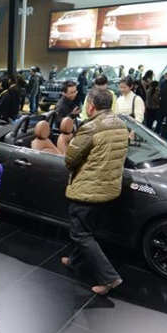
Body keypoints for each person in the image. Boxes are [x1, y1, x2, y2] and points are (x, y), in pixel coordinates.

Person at [60, 88, 127, 295]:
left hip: (88, 189)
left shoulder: (91, 127)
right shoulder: (121, 124)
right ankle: (74, 260)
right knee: (86, 230)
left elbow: (70, 159)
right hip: (109, 187)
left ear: (91, 106)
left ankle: (110, 278)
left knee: (80, 234)